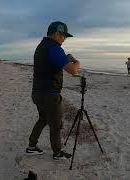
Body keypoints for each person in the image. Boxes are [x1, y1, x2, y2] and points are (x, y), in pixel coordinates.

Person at [26, 21, 80, 160]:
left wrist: (63, 59)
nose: (64, 39)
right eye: (63, 36)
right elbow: (73, 71)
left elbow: (50, 64)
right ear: (57, 34)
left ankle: (31, 146)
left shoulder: (41, 47)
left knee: (43, 119)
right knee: (56, 125)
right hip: (50, 95)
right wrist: (76, 61)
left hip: (37, 93)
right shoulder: (54, 48)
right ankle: (57, 153)